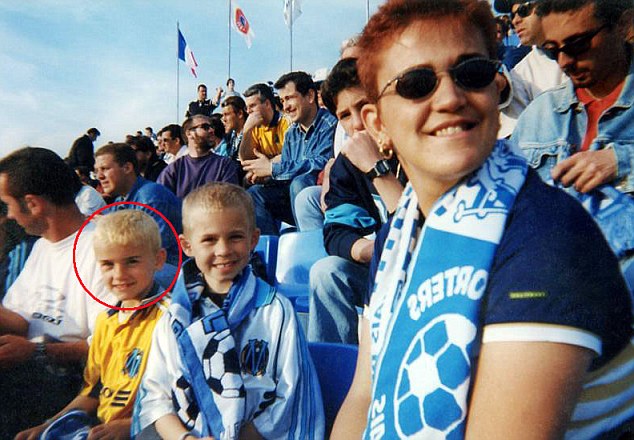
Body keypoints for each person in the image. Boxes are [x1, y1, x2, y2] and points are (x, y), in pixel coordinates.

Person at [333, 1, 633, 439]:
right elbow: (365, 394)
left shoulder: (549, 239)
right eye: (417, 84)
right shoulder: (396, 238)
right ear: (377, 125)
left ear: (495, 91)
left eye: (471, 73)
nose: (451, 98)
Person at [132, 182, 324, 439]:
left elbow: (291, 395)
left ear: (253, 239)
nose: (223, 250)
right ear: (187, 246)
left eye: (235, 237)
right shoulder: (174, 316)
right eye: (209, 240)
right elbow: (155, 398)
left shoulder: (275, 311)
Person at [512, 0, 634, 295]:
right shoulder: (539, 114)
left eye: (578, 45)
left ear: (625, 26)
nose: (564, 61)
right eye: (552, 51)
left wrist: (622, 161)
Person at [16, 210, 169, 440]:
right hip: (103, 426)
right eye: (108, 264)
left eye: (132, 261)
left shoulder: (169, 318)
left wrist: (130, 426)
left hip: (150, 429)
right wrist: (48, 426)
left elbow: (179, 396)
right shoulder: (106, 322)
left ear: (158, 260)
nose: (119, 274)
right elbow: (93, 392)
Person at [0, 147, 114, 436]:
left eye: (7, 205)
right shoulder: (42, 246)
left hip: (72, 384)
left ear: (33, 204)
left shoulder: (106, 248)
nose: (9, 216)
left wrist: (36, 352)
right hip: (31, 370)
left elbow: (110, 348)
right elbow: (21, 319)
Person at [306, 57, 405, 344]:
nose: (358, 123)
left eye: (364, 105)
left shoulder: (416, 145)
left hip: (432, 268)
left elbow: (425, 236)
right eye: (345, 115)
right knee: (327, 272)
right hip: (381, 265)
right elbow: (337, 232)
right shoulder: (346, 166)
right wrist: (369, 250)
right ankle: (334, 377)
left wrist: (377, 168)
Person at [243, 72, 337, 235]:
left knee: (299, 182)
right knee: (255, 193)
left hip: (322, 199)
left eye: (290, 98)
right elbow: (287, 168)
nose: (285, 106)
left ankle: (308, 242)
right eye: (282, 101)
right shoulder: (292, 132)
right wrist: (267, 176)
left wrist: (273, 168)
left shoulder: (330, 124)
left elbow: (321, 163)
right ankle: (271, 250)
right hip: (293, 195)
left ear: (309, 96)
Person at [95, 143, 182, 267]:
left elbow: (156, 254)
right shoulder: (120, 201)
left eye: (105, 169)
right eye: (97, 171)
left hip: (171, 268)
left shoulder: (151, 197)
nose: (99, 176)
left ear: (127, 168)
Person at [495, 0, 568, 137]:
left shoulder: (596, 45)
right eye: (512, 16)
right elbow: (516, 142)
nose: (516, 21)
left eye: (523, 11)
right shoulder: (520, 75)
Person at [158, 114, 240, 199]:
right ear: (189, 133)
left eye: (212, 127)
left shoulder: (224, 165)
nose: (212, 130)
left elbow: (231, 201)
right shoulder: (173, 170)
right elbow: (161, 204)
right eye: (205, 127)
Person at [239, 83, 290, 162]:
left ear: (267, 104)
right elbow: (245, 159)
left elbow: (291, 155)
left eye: (252, 106)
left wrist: (268, 164)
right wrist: (246, 131)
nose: (248, 111)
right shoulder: (254, 127)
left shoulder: (287, 122)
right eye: (247, 108)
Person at [220, 95, 248, 162]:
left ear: (240, 114)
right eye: (222, 115)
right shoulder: (231, 137)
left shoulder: (253, 136)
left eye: (226, 114)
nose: (223, 119)